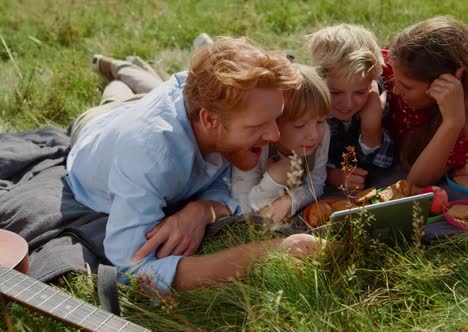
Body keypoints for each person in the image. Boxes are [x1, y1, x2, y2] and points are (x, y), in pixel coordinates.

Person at [66, 37, 322, 291]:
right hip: (95, 128)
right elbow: (132, 269)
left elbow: (225, 184)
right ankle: (118, 75)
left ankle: (125, 72)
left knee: (145, 89)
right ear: (210, 120)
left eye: (275, 119)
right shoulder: (147, 157)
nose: (275, 136)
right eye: (258, 126)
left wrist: (203, 211)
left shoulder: (219, 107)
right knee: (111, 100)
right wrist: (269, 251)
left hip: (148, 109)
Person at [382, 16, 468, 186]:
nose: (395, 90)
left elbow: (418, 181)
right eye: (395, 78)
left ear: (449, 80)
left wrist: (453, 121)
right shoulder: (387, 66)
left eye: (407, 87)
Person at [231, 64, 331, 222]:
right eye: (300, 125)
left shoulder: (322, 134)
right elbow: (240, 208)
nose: (314, 135)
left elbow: (317, 182)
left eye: (320, 121)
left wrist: (290, 201)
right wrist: (274, 181)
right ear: (274, 122)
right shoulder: (254, 146)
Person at [307, 24, 395, 191]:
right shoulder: (309, 105)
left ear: (372, 83)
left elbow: (382, 163)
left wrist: (371, 127)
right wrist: (332, 175)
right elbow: (298, 162)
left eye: (359, 92)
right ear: (318, 80)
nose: (348, 104)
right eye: (336, 92)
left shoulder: (374, 100)